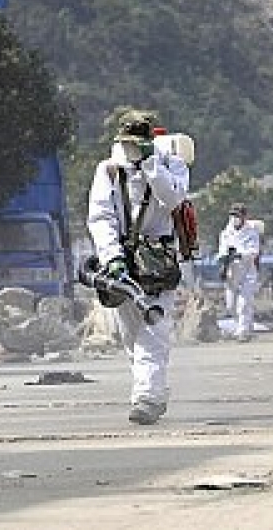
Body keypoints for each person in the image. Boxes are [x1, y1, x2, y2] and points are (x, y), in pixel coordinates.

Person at [87, 109, 190, 425]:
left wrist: (150, 165)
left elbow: (173, 199)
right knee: (130, 333)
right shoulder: (108, 170)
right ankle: (152, 391)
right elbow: (101, 216)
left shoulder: (171, 164)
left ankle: (147, 396)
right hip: (122, 258)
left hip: (157, 257)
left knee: (153, 328)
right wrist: (111, 257)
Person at [217, 202, 260, 342]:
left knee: (244, 303)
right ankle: (244, 327)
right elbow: (221, 251)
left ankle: (243, 331)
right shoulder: (226, 232)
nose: (235, 218)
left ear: (244, 217)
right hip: (232, 272)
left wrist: (239, 254)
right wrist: (223, 261)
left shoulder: (252, 232)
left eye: (238, 215)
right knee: (231, 305)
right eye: (233, 215)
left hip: (247, 272)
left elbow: (254, 251)